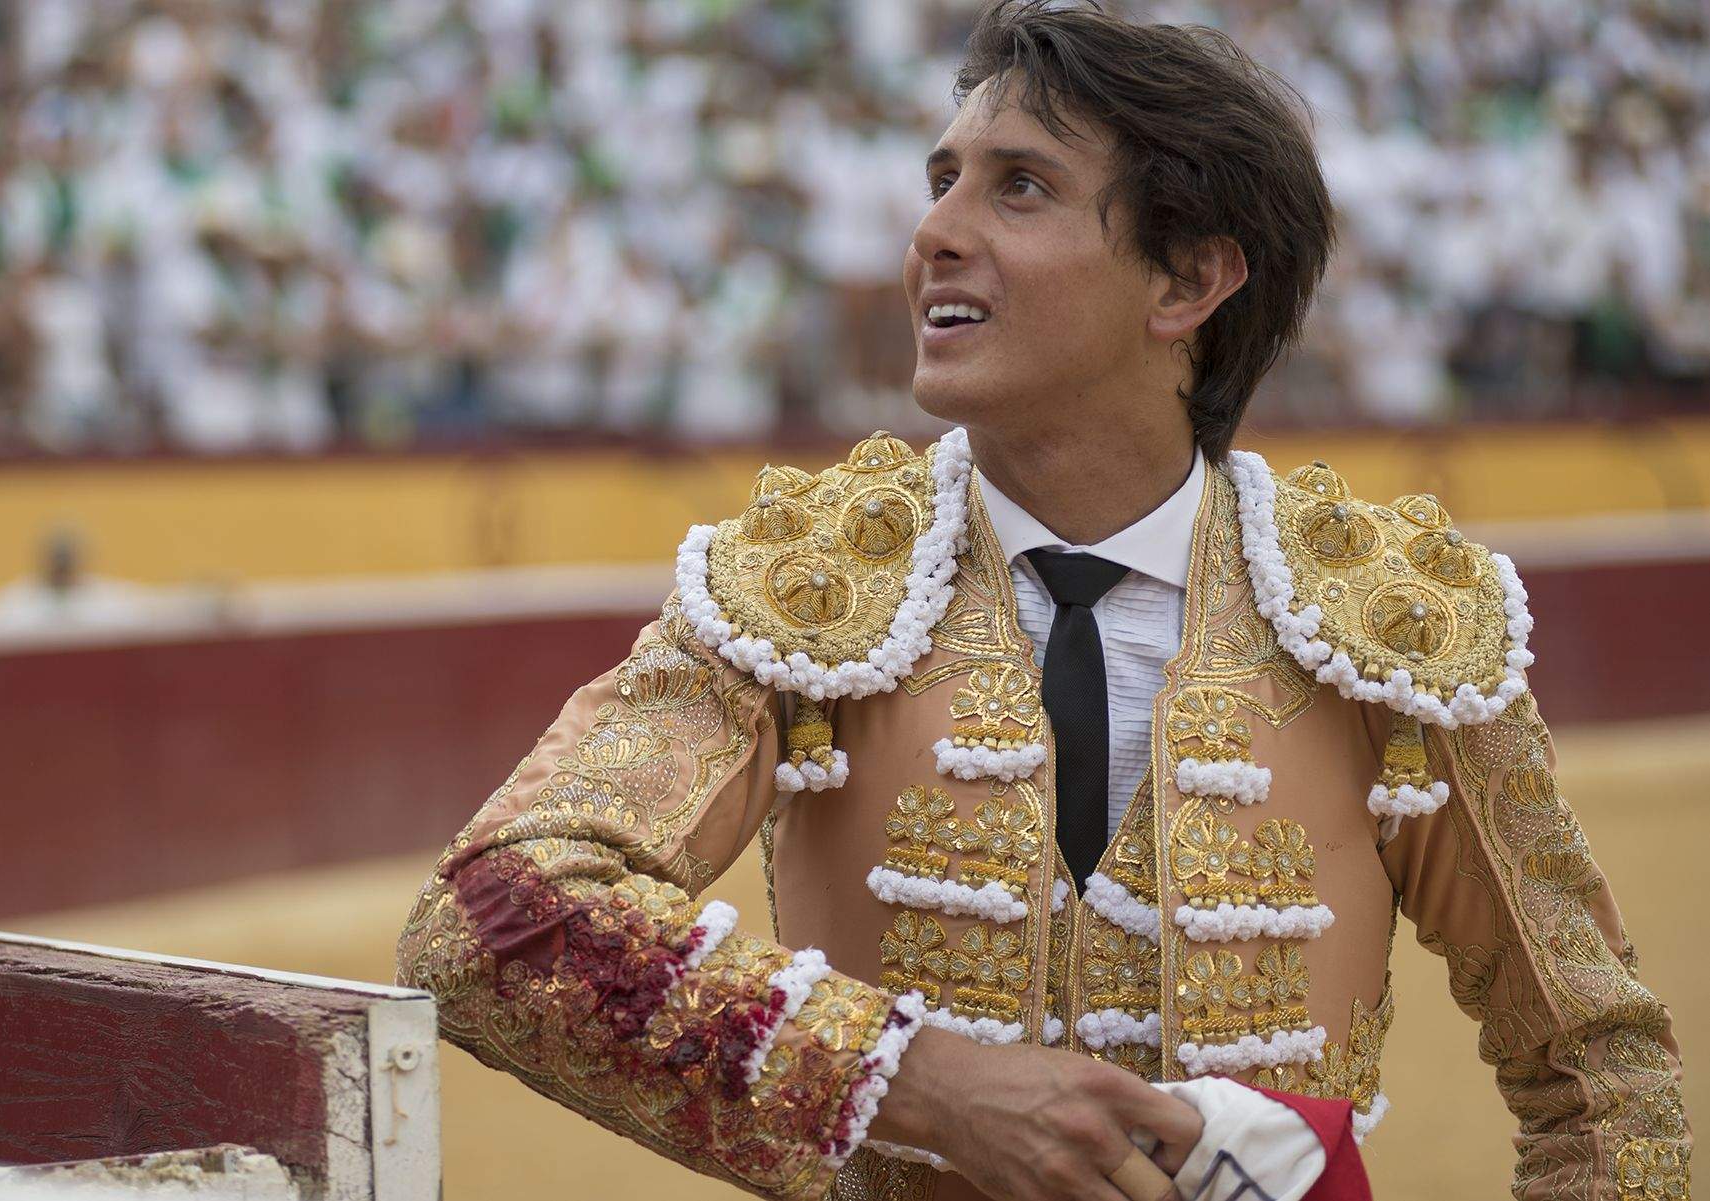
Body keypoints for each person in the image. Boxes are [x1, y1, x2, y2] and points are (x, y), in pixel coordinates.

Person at [393, 4, 1691, 1200]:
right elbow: (493, 918)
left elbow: (1601, 1076)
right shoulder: (802, 588)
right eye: (939, 180)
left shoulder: (1388, 624)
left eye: (1017, 186)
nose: (934, 230)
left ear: (1187, 283)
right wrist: (918, 1083)